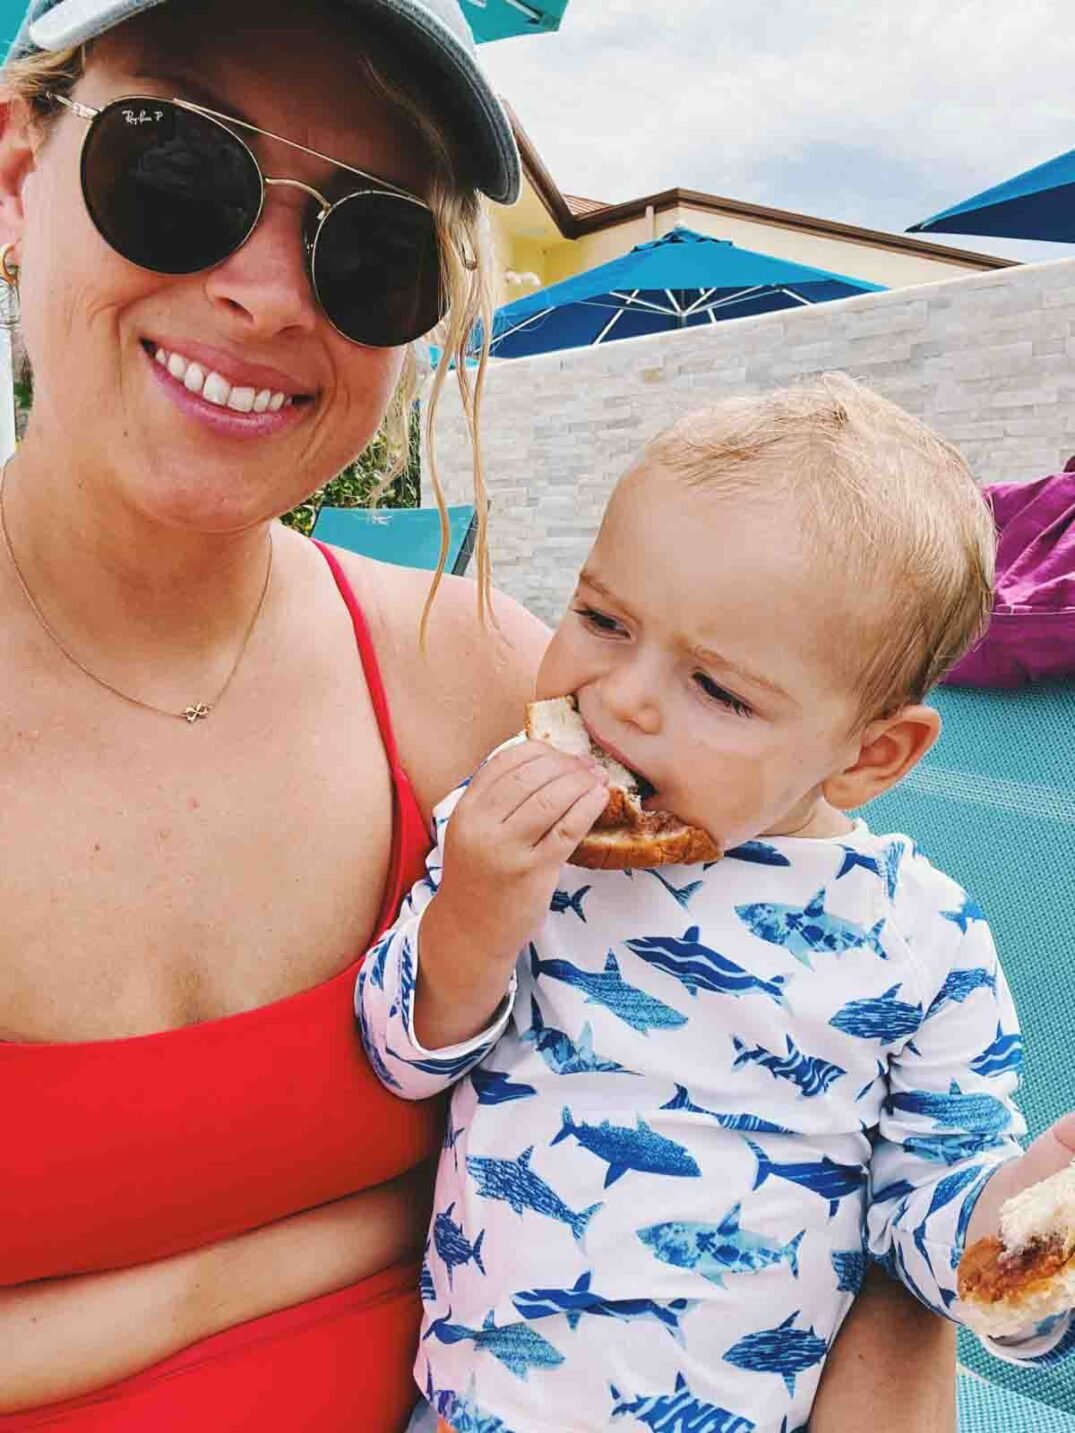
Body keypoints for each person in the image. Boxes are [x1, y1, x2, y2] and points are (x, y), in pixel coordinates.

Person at [0, 0, 958, 1425]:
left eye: (372, 244)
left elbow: (842, 1094)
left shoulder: (502, 689)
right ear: (18, 174)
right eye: (178, 167)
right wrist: (333, 1241)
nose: (268, 292)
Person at [361, 376, 1075, 1433]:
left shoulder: (922, 940)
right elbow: (400, 1050)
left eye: (720, 689)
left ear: (869, 755)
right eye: (602, 618)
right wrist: (473, 903)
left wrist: (1034, 1211)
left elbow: (930, 1238)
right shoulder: (516, 835)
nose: (624, 694)